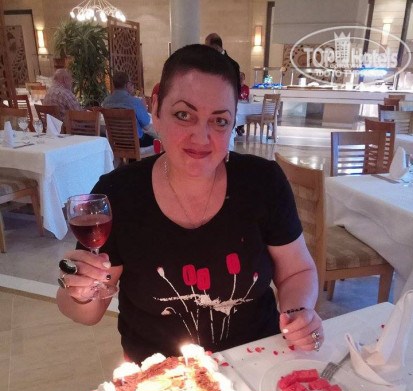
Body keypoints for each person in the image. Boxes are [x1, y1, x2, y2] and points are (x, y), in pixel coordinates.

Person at [56, 44, 324, 363]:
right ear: (156, 108)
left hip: (255, 364)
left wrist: (298, 312)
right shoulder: (119, 193)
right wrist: (80, 293)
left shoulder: (263, 181)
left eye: (219, 121)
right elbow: (87, 314)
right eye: (184, 115)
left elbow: (297, 270)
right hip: (159, 375)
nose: (201, 137)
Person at [102, 71, 154, 148]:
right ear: (127, 85)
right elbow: (146, 124)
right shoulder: (134, 102)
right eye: (131, 84)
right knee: (159, 139)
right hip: (137, 143)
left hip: (116, 142)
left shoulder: (106, 102)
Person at [236, 71, 250, 136]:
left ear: (244, 78)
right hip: (237, 104)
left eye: (242, 77)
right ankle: (239, 127)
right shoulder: (235, 87)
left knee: (245, 111)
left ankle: (241, 127)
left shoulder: (246, 87)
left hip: (244, 104)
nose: (241, 79)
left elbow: (248, 96)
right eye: (239, 77)